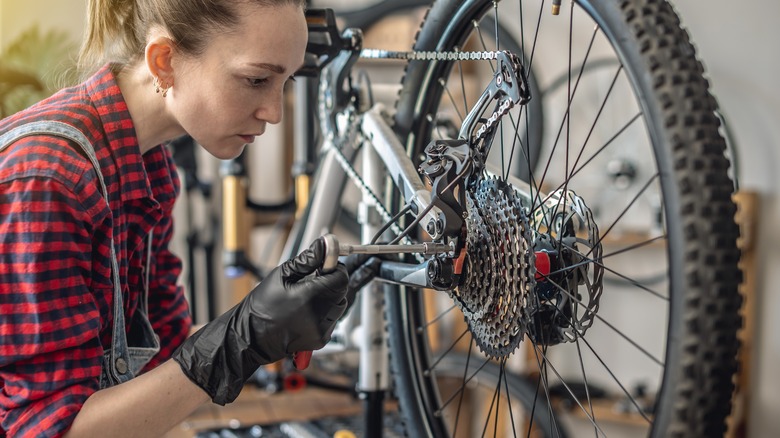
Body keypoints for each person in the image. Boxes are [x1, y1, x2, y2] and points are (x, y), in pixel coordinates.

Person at [0, 0, 378, 436]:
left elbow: (160, 360)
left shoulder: (147, 165)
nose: (274, 111)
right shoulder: (51, 181)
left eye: (285, 82)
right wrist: (239, 340)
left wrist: (271, 325)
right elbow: (51, 429)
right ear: (164, 61)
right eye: (256, 79)